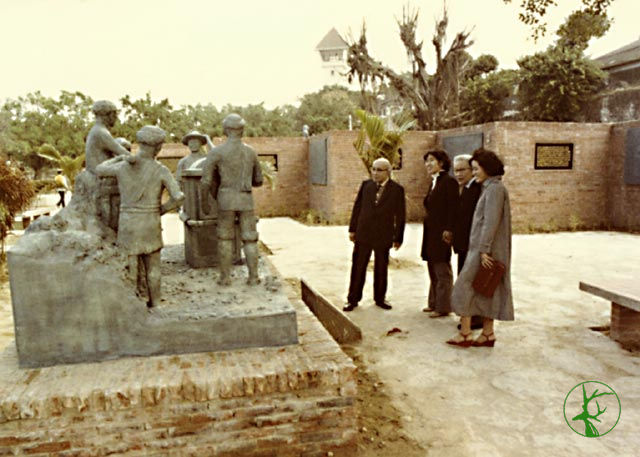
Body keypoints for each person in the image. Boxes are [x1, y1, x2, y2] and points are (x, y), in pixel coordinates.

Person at [96, 125, 184, 308]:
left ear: (140, 144)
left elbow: (99, 169)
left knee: (130, 266)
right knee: (153, 267)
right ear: (158, 148)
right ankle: (156, 302)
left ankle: (132, 305)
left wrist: (120, 157)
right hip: (150, 222)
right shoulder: (161, 170)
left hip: (128, 223)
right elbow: (178, 197)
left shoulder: (123, 167)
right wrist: (161, 210)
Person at [447, 148, 514, 347]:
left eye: (476, 169)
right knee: (486, 290)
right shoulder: (491, 187)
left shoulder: (494, 190)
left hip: (485, 251)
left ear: (487, 168)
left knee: (465, 287)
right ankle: (487, 334)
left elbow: (490, 222)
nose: (473, 172)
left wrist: (484, 250)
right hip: (485, 249)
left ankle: (466, 333)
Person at [201, 114, 263, 286]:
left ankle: (225, 278)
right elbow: (259, 180)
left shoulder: (216, 152)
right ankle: (253, 277)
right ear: (242, 130)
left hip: (226, 199)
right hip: (246, 199)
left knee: (225, 238)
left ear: (225, 130)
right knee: (250, 238)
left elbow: (205, 181)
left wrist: (204, 202)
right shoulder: (250, 152)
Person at [344, 158, 405, 312]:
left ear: (388, 172)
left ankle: (380, 298)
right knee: (358, 267)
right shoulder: (366, 185)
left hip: (383, 235)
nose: (375, 173)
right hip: (363, 233)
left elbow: (401, 215)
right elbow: (357, 207)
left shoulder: (397, 190)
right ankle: (352, 299)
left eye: (379, 170)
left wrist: (398, 237)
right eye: (373, 169)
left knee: (381, 268)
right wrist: (352, 229)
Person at [421, 150, 459, 318]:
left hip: (442, 232)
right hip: (431, 231)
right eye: (426, 161)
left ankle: (443, 306)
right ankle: (434, 302)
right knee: (432, 265)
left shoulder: (449, 182)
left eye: (431, 160)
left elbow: (453, 207)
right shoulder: (434, 181)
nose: (427, 164)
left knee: (442, 268)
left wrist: (449, 229)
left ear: (441, 163)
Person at [85, 100, 132, 227]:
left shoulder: (98, 131)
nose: (116, 118)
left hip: (102, 175)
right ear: (107, 115)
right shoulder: (101, 132)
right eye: (114, 114)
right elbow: (122, 152)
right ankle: (110, 226)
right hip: (101, 178)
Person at [452, 154, 483, 331]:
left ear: (472, 170)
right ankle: (467, 316)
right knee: (464, 280)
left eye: (462, 170)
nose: (458, 174)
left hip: (472, 245)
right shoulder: (464, 188)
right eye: (456, 170)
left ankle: (474, 318)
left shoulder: (477, 189)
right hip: (463, 244)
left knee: (471, 282)